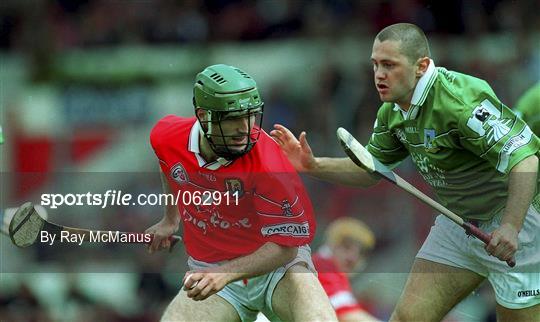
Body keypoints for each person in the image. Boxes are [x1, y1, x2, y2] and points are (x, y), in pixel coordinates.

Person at [271, 23, 540, 321]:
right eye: (375, 65)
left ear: (421, 66)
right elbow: (370, 171)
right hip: (458, 225)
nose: (379, 75)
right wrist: (312, 165)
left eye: (389, 65)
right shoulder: (392, 112)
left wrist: (511, 226)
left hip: (519, 224)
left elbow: (525, 160)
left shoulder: (461, 101)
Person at [145, 64, 336, 321]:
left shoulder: (269, 163)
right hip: (210, 268)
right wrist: (170, 220)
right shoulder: (166, 137)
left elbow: (286, 248)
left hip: (276, 270)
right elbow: (167, 164)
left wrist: (225, 274)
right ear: (204, 116)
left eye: (250, 116)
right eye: (234, 118)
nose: (245, 128)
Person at [313, 217, 381, 322]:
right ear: (331, 244)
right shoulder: (322, 268)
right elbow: (346, 314)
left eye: (360, 252)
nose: (353, 257)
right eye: (346, 247)